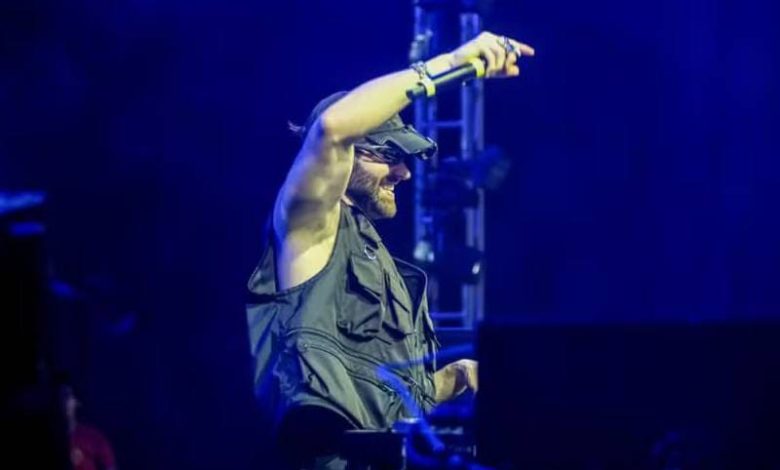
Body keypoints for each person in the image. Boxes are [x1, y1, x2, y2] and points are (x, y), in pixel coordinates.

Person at [246, 31, 534, 469]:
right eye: (388, 155)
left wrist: (454, 377)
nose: (404, 172)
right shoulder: (310, 226)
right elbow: (333, 129)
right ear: (345, 158)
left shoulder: (381, 263)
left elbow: (384, 401)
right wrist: (451, 63)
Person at [61, 384, 118, 470]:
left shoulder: (93, 437)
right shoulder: (47, 438)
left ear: (76, 402)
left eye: (67, 396)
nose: (62, 401)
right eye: (59, 397)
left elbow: (110, 466)